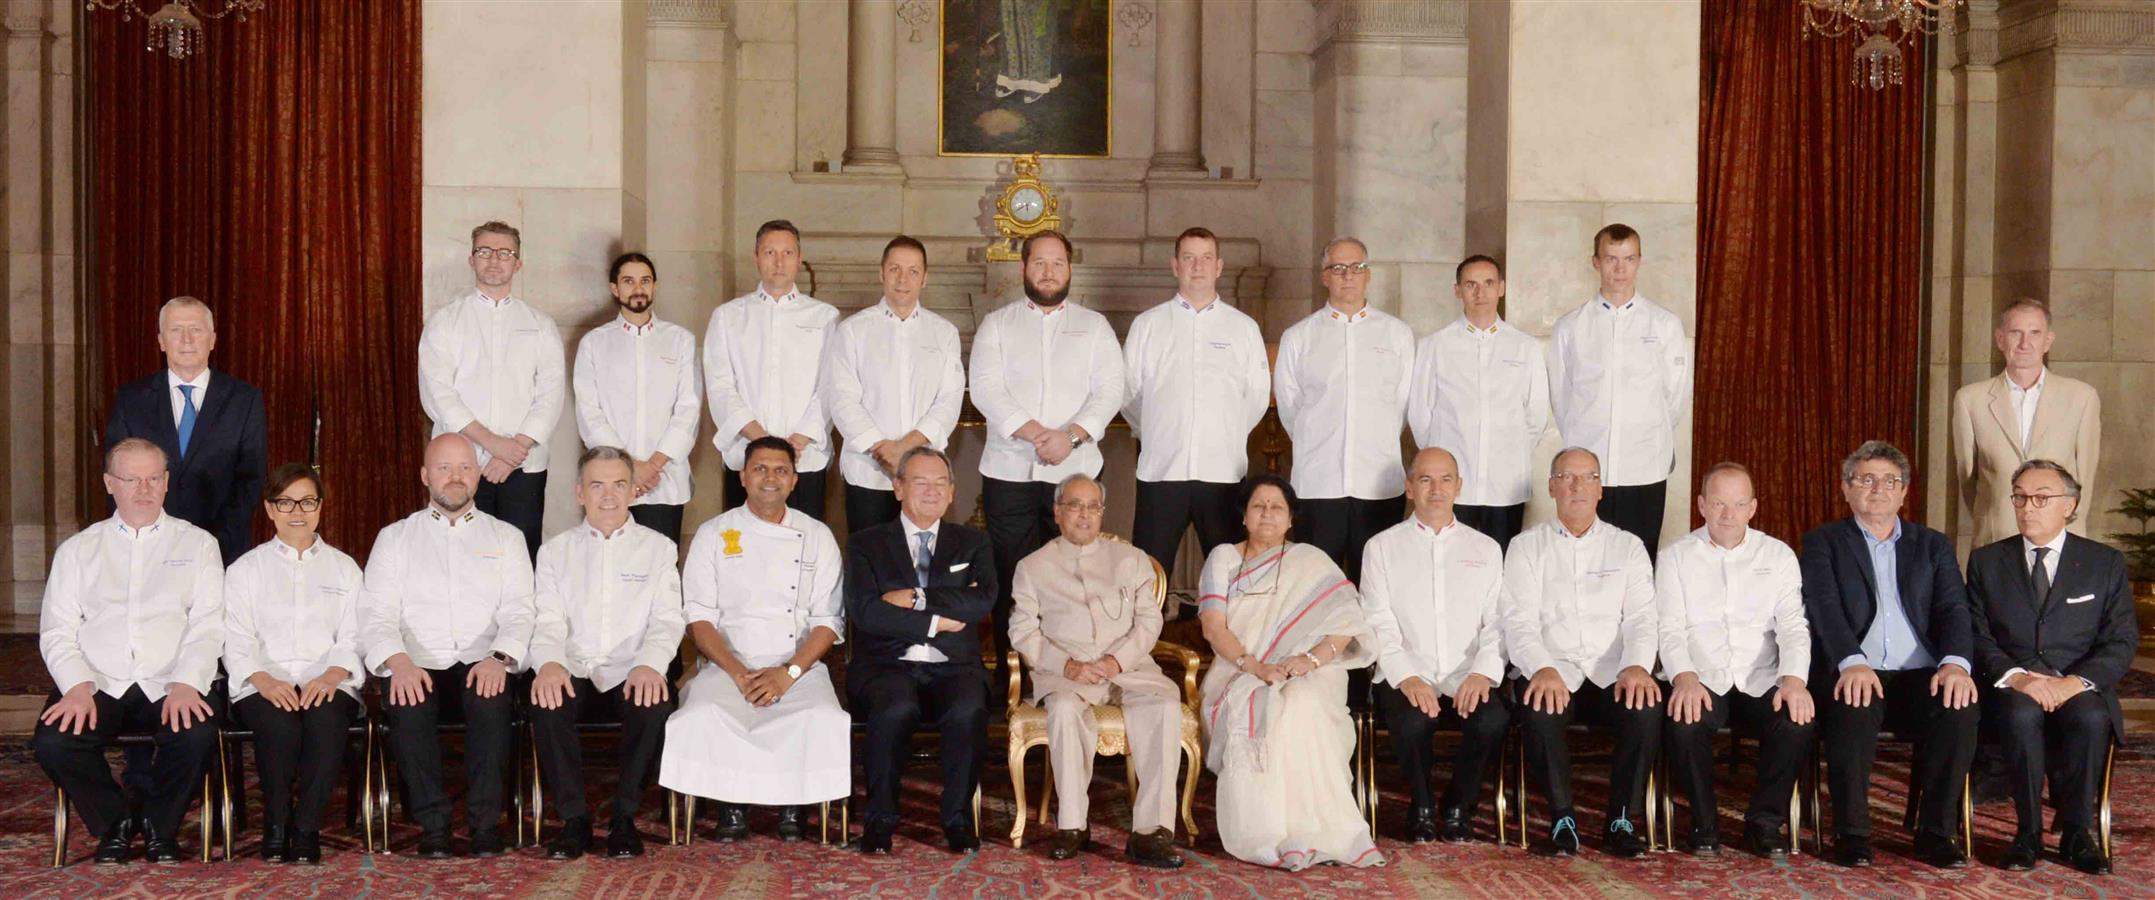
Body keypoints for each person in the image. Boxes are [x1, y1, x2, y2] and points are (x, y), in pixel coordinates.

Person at [33, 438, 223, 865]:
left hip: (169, 679)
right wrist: (77, 687)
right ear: (109, 483)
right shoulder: (79, 550)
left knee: (196, 734)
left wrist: (187, 682)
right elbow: (57, 629)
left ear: (167, 482)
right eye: (131, 479)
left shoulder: (198, 545)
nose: (144, 489)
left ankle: (160, 825)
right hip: (99, 680)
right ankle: (115, 822)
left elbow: (209, 624)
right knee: (54, 742)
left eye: (153, 478)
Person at [1800, 440, 1978, 869]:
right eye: (1866, 479)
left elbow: (1953, 608)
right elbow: (1824, 607)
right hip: (1857, 668)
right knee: (1853, 704)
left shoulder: (1932, 545)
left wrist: (1955, 662)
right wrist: (1851, 660)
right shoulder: (1824, 542)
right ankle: (1853, 833)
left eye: (1890, 481)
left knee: (1959, 705)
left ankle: (1936, 832)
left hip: (1921, 673)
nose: (1878, 488)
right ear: (1846, 488)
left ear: (1904, 492)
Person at [660, 437, 847, 843]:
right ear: (743, 476)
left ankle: (794, 804)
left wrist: (788, 673)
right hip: (727, 664)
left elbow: (829, 621)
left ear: (795, 481)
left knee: (821, 717)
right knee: (703, 714)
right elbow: (699, 617)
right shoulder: (714, 533)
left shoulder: (817, 536)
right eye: (760, 469)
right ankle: (730, 804)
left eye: (781, 470)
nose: (770, 478)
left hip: (800, 665)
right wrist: (740, 673)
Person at [362, 433, 537, 858]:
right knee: (407, 701)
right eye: (444, 468)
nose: (454, 477)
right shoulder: (394, 538)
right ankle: (434, 825)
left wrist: (500, 658)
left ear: (478, 476)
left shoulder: (507, 537)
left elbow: (521, 610)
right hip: (416, 662)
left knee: (490, 699)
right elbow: (376, 614)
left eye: (463, 468)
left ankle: (484, 825)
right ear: (425, 476)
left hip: (484, 661)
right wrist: (399, 663)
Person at [1196, 473, 1382, 870]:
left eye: (1276, 507)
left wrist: (1309, 661)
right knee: (1267, 702)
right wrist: (1256, 667)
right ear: (1243, 515)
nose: (1267, 514)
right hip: (1239, 670)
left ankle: (1315, 831)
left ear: (1291, 518)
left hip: (1308, 671)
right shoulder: (1224, 558)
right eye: (1258, 506)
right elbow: (1214, 627)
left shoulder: (1311, 561)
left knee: (1300, 701)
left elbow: (1346, 625)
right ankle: (1270, 834)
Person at [1966, 460, 2135, 874]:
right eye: (2020, 496)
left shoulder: (2104, 562)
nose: (2028, 507)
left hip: (2077, 684)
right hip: (2012, 685)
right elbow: (1976, 634)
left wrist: (2074, 682)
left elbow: (2121, 640)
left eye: (2041, 498)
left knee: (2092, 718)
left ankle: (2078, 832)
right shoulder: (1987, 561)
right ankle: (2028, 834)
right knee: (2021, 714)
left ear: (2070, 505)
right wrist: (2018, 677)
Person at [1007, 474, 1185, 868]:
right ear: (1058, 512)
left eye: (1093, 506)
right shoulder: (1032, 566)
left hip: (1130, 668)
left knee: (1165, 707)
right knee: (1067, 710)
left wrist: (1116, 661)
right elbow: (1021, 630)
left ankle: (1150, 833)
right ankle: (1072, 825)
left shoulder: (1132, 559)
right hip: (1067, 673)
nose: (1084, 514)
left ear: (1102, 513)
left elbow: (1149, 622)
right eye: (1074, 505)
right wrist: (1065, 665)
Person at [968, 230, 1124, 675]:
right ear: (1023, 268)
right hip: (1009, 473)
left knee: (1074, 580)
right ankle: (1012, 679)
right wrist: (1039, 434)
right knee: (1012, 580)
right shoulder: (997, 325)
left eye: (1058, 263)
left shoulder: (1094, 327)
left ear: (1070, 269)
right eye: (1039, 262)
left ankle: (1072, 672)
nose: (1048, 271)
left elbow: (1110, 389)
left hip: (1076, 474)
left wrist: (1070, 437)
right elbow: (986, 389)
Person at [527, 446, 686, 860]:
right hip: (574, 665)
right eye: (597, 485)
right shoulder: (554, 552)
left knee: (655, 706)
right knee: (546, 701)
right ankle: (574, 819)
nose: (609, 495)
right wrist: (548, 664)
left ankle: (624, 818)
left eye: (619, 484)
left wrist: (651, 665)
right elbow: (547, 620)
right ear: (580, 493)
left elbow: (667, 621)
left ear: (634, 491)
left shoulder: (658, 549)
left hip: (631, 667)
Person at [1503, 447, 1661, 858]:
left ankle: (1621, 819)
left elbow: (1643, 617)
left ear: (1600, 489)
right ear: (1552, 486)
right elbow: (1518, 620)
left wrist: (1637, 666)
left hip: (1614, 673)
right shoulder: (1525, 547)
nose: (1577, 486)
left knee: (1646, 708)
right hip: (1555, 671)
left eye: (1588, 477)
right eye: (1567, 477)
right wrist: (1541, 668)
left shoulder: (1627, 546)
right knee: (1538, 708)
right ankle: (1562, 820)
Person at [842, 446, 997, 855]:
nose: (931, 491)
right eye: (920, 481)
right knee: (895, 707)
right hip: (886, 664)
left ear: (951, 493)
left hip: (955, 664)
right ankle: (880, 819)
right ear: (898, 488)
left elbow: (983, 601)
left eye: (940, 483)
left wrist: (913, 597)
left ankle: (957, 820)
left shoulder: (973, 542)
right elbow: (865, 611)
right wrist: (937, 619)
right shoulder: (865, 544)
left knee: (968, 708)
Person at [1656, 462, 1813, 858]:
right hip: (1702, 674)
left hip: (1760, 676)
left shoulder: (1777, 555)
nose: (1728, 514)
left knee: (1795, 722)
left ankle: (1763, 823)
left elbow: (1793, 626)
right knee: (1684, 721)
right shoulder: (1675, 557)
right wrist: (1684, 678)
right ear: (1701, 505)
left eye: (1738, 504)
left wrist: (1793, 679)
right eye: (1719, 503)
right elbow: (1669, 628)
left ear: (1753, 508)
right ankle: (1704, 823)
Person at [1357, 448, 1509, 844]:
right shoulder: (1381, 547)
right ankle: (1421, 804)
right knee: (1411, 722)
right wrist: (1406, 676)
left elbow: (1497, 622)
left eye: (1445, 480)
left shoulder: (1487, 548)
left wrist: (1482, 673)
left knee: (1492, 720)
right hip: (1405, 670)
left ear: (1459, 487)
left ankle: (1460, 803)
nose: (1436, 489)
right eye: (1425, 479)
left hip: (1466, 673)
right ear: (1409, 488)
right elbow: (1377, 621)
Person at [222, 463, 365, 864]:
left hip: (330, 678)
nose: (297, 511)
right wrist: (263, 679)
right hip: (263, 680)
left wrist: (335, 673)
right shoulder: (245, 570)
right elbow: (236, 636)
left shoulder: (345, 568)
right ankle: (276, 823)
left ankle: (306, 828)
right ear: (269, 510)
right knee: (280, 724)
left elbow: (355, 634)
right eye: (285, 502)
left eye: (307, 501)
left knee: (325, 719)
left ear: (320, 507)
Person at [1121, 227, 1270, 587]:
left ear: (1219, 266)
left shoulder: (1243, 328)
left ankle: (1226, 645)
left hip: (1223, 473)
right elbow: (1129, 395)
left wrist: (1226, 434)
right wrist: (1157, 433)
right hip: (1161, 472)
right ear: (1175, 266)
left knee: (1230, 580)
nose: (1197, 266)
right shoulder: (1148, 325)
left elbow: (1256, 397)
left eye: (1206, 258)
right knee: (1147, 581)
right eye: (1188, 258)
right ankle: (1143, 645)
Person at [417, 220, 565, 559]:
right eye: (484, 251)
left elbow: (551, 392)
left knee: (520, 555)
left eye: (504, 252)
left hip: (523, 463)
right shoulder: (445, 322)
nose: (494, 259)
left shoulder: (540, 325)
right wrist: (492, 443)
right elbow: (438, 394)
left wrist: (516, 448)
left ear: (518, 263)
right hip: (460, 463)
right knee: (459, 554)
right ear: (472, 260)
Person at [1547, 224, 1691, 562]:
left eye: (1628, 259)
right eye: (1611, 259)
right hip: (1587, 467)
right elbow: (1561, 396)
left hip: (1644, 465)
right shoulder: (1571, 327)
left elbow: (1675, 395)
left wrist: (1645, 434)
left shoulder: (1664, 324)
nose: (1620, 268)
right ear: (1596, 262)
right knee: (1583, 558)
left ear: (1639, 261)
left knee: (1639, 561)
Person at [1273, 237, 1413, 581]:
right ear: (1325, 277)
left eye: (1356, 267)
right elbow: (1291, 409)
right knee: (1316, 588)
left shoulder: (1397, 334)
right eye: (1338, 268)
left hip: (1378, 485)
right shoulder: (1299, 337)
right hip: (1318, 485)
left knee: (1377, 585)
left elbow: (1404, 404)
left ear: (1368, 275)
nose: (1348, 275)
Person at [103, 295, 268, 565]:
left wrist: (213, 541)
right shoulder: (131, 399)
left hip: (221, 550)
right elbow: (116, 475)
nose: (187, 339)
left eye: (196, 330)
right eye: (176, 330)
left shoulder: (245, 399)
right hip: (145, 549)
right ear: (161, 341)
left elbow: (251, 479)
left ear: (212, 339)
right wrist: (138, 535)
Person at [822, 235, 965, 531]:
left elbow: (949, 401)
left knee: (922, 561)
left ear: (924, 278)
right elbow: (842, 399)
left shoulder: (944, 333)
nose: (903, 279)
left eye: (913, 271)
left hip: (925, 473)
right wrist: (883, 450)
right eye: (895, 269)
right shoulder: (852, 331)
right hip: (868, 470)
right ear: (881, 273)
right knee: (871, 559)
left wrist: (906, 450)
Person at [1407, 255, 1548, 551]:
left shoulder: (1525, 347)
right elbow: (1420, 416)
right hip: (1453, 487)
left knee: (1502, 566)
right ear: (1458, 290)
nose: (1480, 293)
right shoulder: (1434, 346)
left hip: (1506, 484)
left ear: (1502, 288)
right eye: (1471, 284)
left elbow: (1535, 416)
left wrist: (1510, 453)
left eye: (1488, 283)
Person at [705, 219, 840, 520]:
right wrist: (761, 441)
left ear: (799, 257)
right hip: (746, 456)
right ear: (755, 257)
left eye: (787, 253)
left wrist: (800, 439)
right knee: (741, 550)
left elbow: (832, 386)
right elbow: (720, 386)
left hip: (805, 457)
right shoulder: (728, 317)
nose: (779, 262)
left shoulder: (825, 317)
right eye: (769, 253)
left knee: (804, 546)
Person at [1950, 298, 2103, 547]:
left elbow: (2084, 478)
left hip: (2060, 540)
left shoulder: (2081, 397)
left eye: (2034, 333)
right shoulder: (1970, 400)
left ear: (2048, 341)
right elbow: (1968, 480)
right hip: (1996, 539)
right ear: (2000, 339)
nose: (2025, 343)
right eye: (2015, 333)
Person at [571, 253, 702, 541]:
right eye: (628, 281)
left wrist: (652, 466)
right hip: (609, 479)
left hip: (665, 479)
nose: (638, 288)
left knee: (661, 567)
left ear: (654, 286)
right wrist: (629, 468)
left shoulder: (680, 340)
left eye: (645, 281)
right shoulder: (594, 343)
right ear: (615, 289)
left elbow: (688, 409)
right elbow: (589, 413)